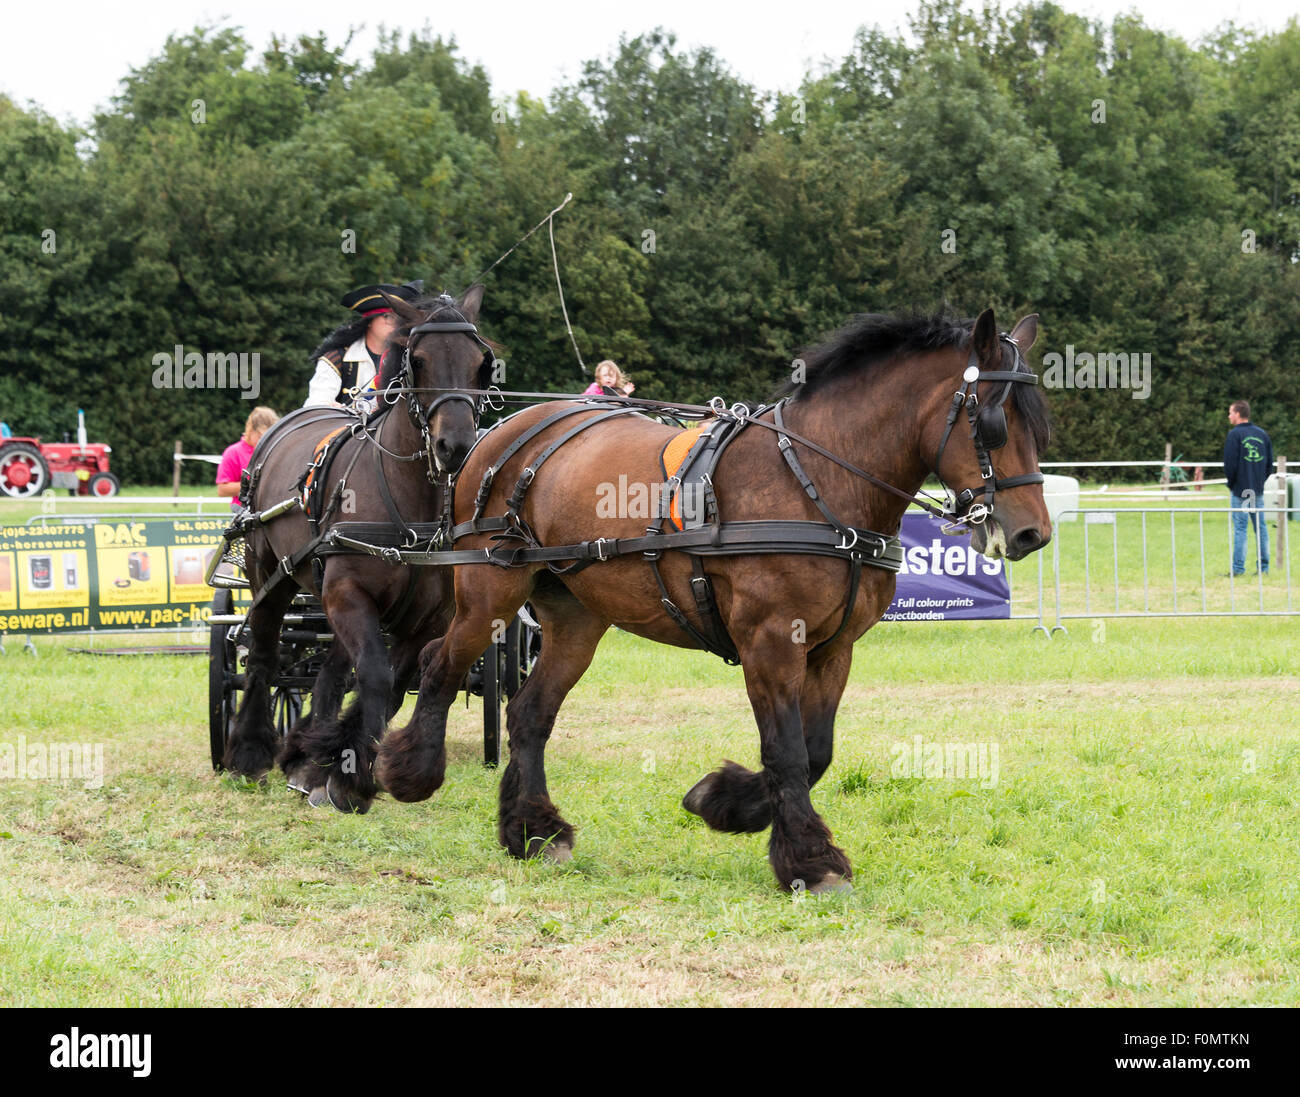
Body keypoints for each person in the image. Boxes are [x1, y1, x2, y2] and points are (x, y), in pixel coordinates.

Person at [304, 281, 424, 411]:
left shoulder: (409, 359)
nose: (395, 324)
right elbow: (316, 404)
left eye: (399, 319)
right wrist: (331, 407)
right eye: (388, 317)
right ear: (370, 321)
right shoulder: (337, 358)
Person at [1223, 399, 1272, 576]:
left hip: (1241, 491)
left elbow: (1230, 464)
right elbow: (1269, 465)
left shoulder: (1234, 435)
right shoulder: (1262, 434)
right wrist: (1259, 482)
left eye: (1230, 412)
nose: (1229, 416)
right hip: (1256, 491)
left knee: (1241, 529)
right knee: (1261, 528)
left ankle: (1237, 569)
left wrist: (1232, 484)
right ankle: (1264, 568)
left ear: (1237, 414)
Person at [216, 406, 279, 510]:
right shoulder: (233, 452)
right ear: (250, 430)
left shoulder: (274, 451)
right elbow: (222, 490)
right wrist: (254, 484)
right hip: (243, 511)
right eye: (261, 437)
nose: (266, 442)